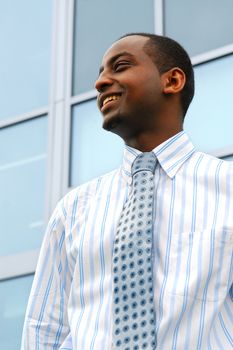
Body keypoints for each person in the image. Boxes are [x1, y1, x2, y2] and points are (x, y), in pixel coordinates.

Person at [21, 33, 233, 349]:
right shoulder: (74, 209)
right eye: (100, 74)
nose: (100, 83)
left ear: (172, 81)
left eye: (120, 67)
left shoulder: (227, 188)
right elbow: (45, 329)